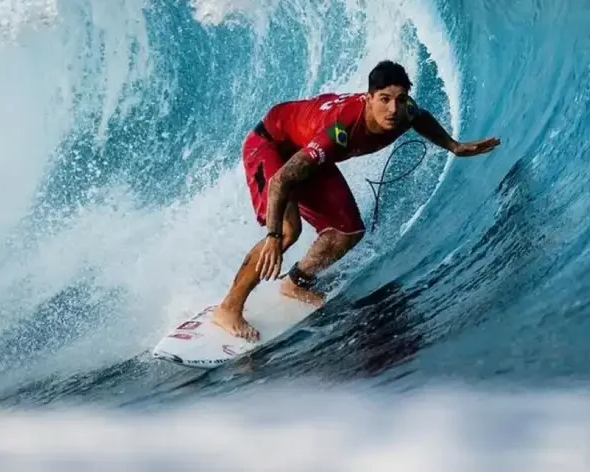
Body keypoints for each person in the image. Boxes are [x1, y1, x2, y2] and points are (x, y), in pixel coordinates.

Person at [212, 60, 501, 340]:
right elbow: (281, 180)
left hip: (304, 148)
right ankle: (228, 309)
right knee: (289, 231)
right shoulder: (340, 131)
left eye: (400, 100)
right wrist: (273, 236)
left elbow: (421, 117)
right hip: (271, 144)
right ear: (368, 98)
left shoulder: (405, 112)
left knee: (348, 231)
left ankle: (296, 282)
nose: (392, 109)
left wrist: (454, 146)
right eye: (384, 99)